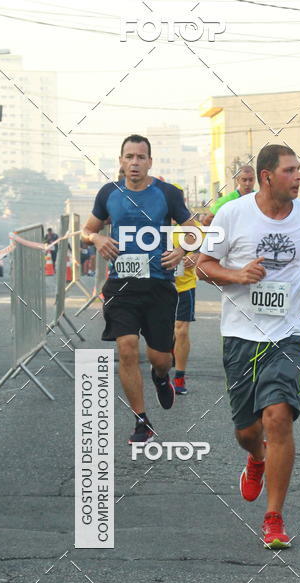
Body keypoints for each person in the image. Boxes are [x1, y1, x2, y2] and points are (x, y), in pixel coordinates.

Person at [196, 144, 300, 549]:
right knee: (247, 431)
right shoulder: (232, 214)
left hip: (288, 334)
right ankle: (255, 457)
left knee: (278, 417)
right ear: (266, 176)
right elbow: (203, 265)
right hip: (241, 334)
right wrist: (237, 276)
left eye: (299, 171)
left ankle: (274, 517)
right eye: (291, 171)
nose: (299, 178)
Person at [81, 134, 199, 444]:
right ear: (120, 161)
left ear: (149, 162)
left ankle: (161, 378)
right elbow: (86, 230)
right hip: (121, 287)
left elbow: (194, 232)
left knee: (160, 358)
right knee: (127, 348)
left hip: (159, 286)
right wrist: (98, 239)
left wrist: (182, 252)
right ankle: (141, 420)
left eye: (140, 157)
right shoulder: (109, 193)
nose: (134, 162)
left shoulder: (168, 194)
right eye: (129, 157)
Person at [171, 181, 200, 395]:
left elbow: (206, 250)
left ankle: (179, 377)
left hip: (185, 286)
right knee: (163, 332)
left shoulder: (192, 227)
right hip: (160, 287)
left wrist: (196, 256)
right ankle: (163, 365)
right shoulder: (153, 223)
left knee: (181, 330)